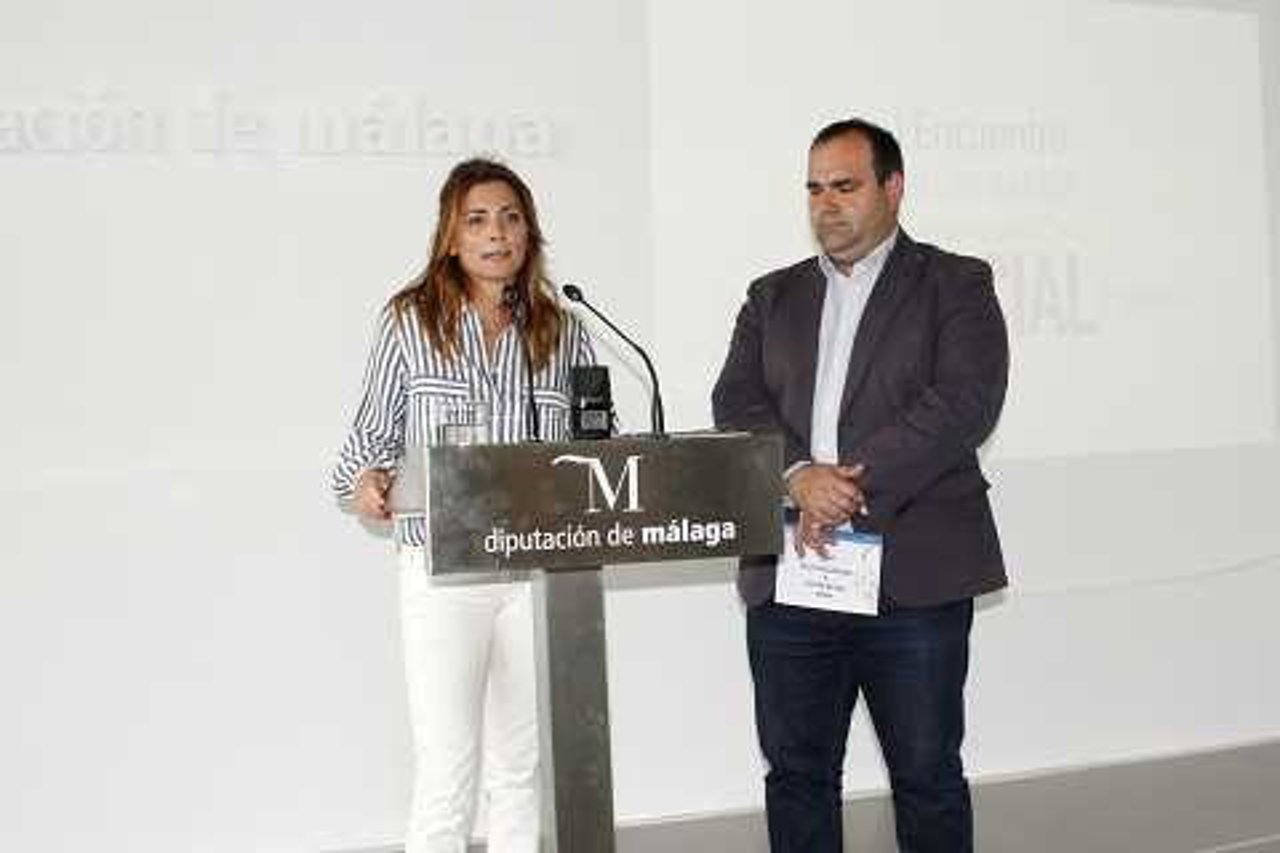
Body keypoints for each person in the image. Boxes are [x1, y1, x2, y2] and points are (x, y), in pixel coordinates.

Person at [712, 118, 1009, 852]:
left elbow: (963, 403)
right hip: (792, 582)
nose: (825, 204)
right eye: (813, 188)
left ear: (893, 188)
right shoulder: (771, 295)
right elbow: (737, 402)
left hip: (914, 581)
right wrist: (798, 476)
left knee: (927, 777)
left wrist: (842, 485)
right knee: (797, 777)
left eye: (844, 186)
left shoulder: (956, 283)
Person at [331, 157, 595, 853]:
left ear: (530, 233)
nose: (496, 233)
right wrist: (367, 482)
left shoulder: (563, 330)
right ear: (450, 235)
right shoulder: (409, 322)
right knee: (448, 771)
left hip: (537, 574)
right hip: (443, 570)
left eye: (510, 217)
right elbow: (364, 445)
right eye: (477, 219)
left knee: (520, 771)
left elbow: (598, 447)